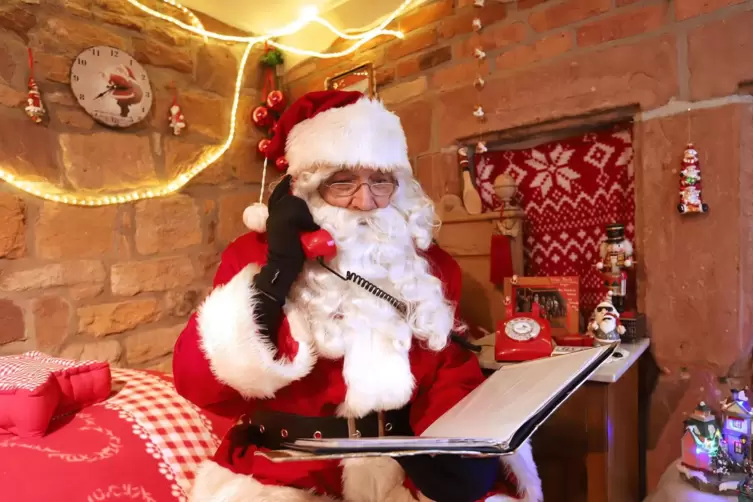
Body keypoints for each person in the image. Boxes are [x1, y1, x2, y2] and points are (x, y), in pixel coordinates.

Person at [172, 90, 542, 502]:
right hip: (286, 469)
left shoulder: (424, 264)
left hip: (403, 464)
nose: (366, 202)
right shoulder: (254, 257)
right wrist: (276, 277)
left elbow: (448, 368)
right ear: (304, 190)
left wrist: (456, 447)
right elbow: (197, 384)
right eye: (343, 182)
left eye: (381, 182)